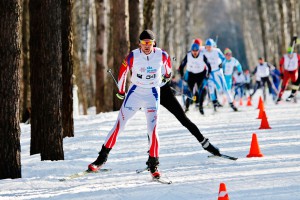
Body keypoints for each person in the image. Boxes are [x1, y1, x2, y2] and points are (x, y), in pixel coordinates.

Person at [88, 30, 172, 178]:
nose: (146, 46)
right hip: (135, 92)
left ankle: (154, 164)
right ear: (139, 43)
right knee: (119, 125)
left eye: (149, 43)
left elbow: (168, 71)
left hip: (152, 93)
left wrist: (166, 78)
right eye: (144, 43)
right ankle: (100, 160)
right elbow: (123, 71)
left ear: (154, 43)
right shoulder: (133, 55)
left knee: (152, 129)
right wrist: (121, 91)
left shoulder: (162, 55)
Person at [203, 38, 238, 112]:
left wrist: (221, 64)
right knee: (211, 88)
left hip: (218, 72)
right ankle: (214, 104)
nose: (208, 48)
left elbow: (224, 59)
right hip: (210, 73)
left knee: (224, 88)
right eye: (207, 46)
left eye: (210, 46)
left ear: (212, 46)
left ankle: (231, 103)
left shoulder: (217, 51)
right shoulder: (204, 51)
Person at [178, 41, 211, 115]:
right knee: (191, 91)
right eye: (193, 51)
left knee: (202, 90)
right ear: (191, 50)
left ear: (199, 50)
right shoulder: (188, 55)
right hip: (191, 75)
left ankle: (201, 107)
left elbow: (209, 65)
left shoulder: (202, 55)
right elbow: (181, 66)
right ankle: (187, 107)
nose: (195, 52)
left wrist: (207, 74)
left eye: (196, 51)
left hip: (200, 75)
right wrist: (182, 75)